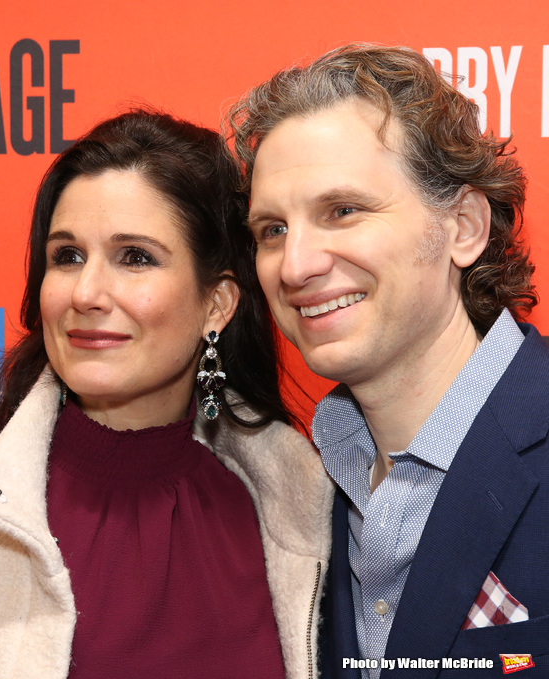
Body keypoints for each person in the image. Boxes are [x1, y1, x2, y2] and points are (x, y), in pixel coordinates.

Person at [0, 109, 334, 679]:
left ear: (217, 305)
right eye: (67, 256)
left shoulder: (302, 504)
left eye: (135, 257)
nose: (86, 292)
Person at [227, 44, 549, 677]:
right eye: (272, 230)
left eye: (342, 211)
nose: (296, 266)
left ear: (462, 227)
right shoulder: (298, 490)